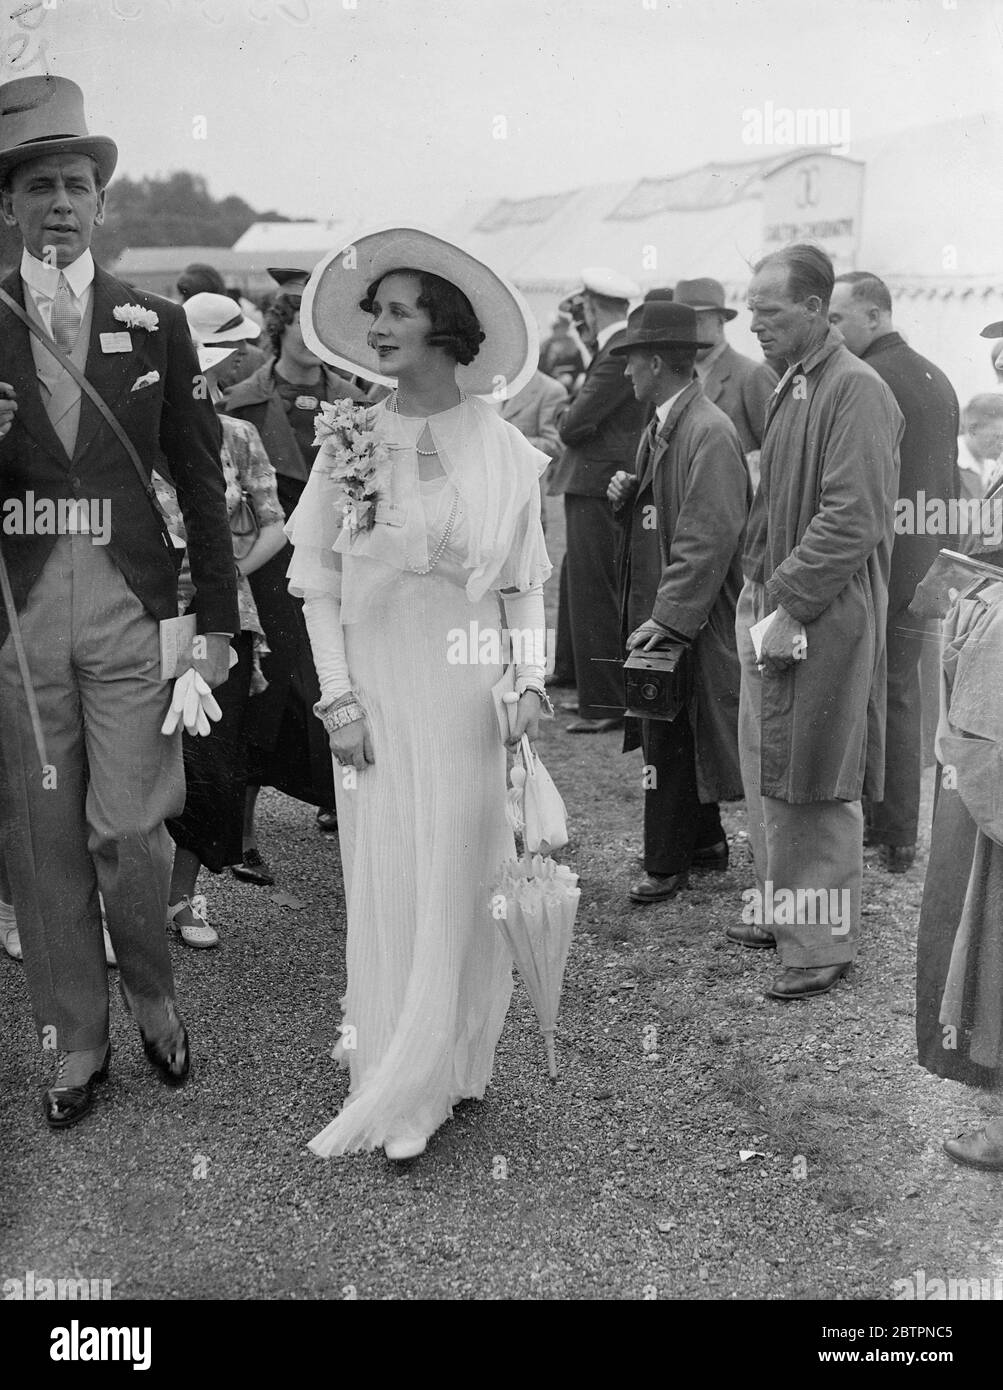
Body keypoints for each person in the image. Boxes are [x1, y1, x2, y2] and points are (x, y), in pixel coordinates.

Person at [0, 76, 238, 1127]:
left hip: (133, 606)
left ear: (102, 203)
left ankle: (153, 997)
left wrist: (219, 620)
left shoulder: (157, 322)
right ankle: (75, 1042)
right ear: (10, 204)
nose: (59, 202)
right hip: (18, 616)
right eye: (38, 185)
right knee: (41, 835)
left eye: (76, 185)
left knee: (132, 828)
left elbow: (201, 478)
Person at [287, 225, 551, 1160]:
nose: (380, 327)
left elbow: (522, 585)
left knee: (461, 874)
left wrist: (529, 679)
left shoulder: (506, 451)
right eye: (376, 311)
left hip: (467, 691)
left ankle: (447, 1064)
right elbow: (317, 585)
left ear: (446, 327)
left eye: (399, 311)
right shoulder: (349, 438)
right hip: (379, 689)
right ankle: (394, 1076)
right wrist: (338, 701)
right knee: (388, 873)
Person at [726, 243, 902, 1000]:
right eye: (750, 308)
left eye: (767, 309)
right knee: (769, 763)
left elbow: (853, 516)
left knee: (817, 773)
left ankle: (821, 944)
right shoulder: (793, 382)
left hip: (820, 608)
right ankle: (784, 912)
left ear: (813, 308)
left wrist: (789, 603)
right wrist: (755, 589)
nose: (753, 322)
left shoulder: (856, 389)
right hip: (774, 599)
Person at [224, 267, 369, 871]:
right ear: (280, 327)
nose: (312, 340)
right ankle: (242, 837)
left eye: (322, 328)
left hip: (342, 567)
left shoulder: (359, 403)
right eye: (301, 326)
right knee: (266, 696)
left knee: (343, 682)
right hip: (270, 569)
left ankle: (347, 808)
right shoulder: (243, 401)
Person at [607, 300, 749, 903]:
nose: (625, 372)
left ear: (658, 363)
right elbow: (663, 520)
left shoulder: (707, 431)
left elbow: (707, 538)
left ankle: (665, 863)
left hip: (688, 613)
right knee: (677, 725)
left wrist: (667, 621)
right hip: (673, 607)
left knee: (667, 732)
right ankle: (706, 843)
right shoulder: (671, 422)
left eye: (631, 360)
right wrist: (627, 500)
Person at [157, 303, 286, 947]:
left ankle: (181, 899)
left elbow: (275, 523)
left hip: (217, 618)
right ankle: (116, 902)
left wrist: (227, 569)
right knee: (131, 759)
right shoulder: (130, 433)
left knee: (207, 764)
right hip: (141, 616)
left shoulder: (237, 435)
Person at [828, 271, 959, 874]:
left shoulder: (869, 378)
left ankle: (888, 828)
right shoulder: (936, 376)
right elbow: (948, 481)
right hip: (928, 556)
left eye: (838, 318)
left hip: (885, 561)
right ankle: (899, 832)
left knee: (881, 693)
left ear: (874, 316)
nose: (832, 330)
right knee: (903, 692)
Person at [548, 267, 644, 732]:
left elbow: (573, 424)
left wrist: (567, 414)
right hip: (598, 482)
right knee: (587, 586)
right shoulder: (617, 346)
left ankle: (605, 704)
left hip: (597, 484)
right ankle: (590, 689)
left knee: (596, 593)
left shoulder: (616, 350)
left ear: (589, 304)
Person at [674, 276, 777, 490]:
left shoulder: (751, 375)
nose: (688, 331)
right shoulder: (679, 380)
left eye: (697, 321)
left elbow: (779, 452)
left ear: (720, 323)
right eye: (681, 323)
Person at [185, 287, 267, 394]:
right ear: (209, 344)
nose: (244, 350)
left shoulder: (217, 388)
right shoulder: (193, 394)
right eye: (237, 339)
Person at [955, 393, 1003, 502]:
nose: (1002, 445)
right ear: (973, 430)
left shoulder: (993, 464)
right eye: (997, 437)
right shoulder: (948, 464)